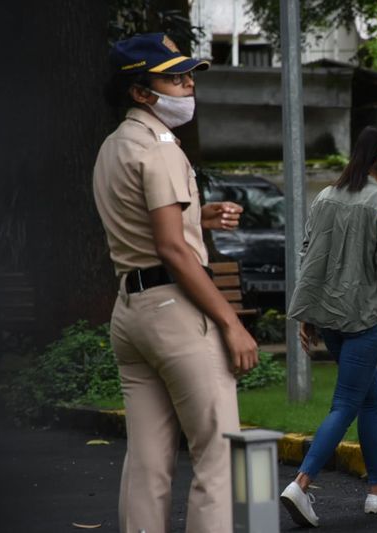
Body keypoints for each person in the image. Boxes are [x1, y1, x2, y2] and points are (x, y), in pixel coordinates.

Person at [92, 33, 259, 533]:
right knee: (219, 455)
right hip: (175, 310)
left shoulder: (114, 145)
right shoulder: (161, 147)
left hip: (131, 311)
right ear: (142, 91)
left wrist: (198, 218)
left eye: (188, 76)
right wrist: (231, 323)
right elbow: (169, 248)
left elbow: (147, 230)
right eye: (175, 77)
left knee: (147, 460)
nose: (188, 86)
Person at [280, 127, 377, 527]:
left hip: (328, 318)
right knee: (346, 402)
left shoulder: (325, 196)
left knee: (372, 394)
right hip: (363, 318)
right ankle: (301, 483)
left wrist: (307, 314)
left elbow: (309, 255)